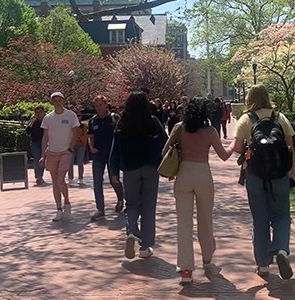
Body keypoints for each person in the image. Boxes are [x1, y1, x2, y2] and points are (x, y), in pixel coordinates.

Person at [161, 97, 234, 284]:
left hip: (183, 174)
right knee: (205, 219)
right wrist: (234, 143)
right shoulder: (210, 131)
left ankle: (186, 269)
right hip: (202, 174)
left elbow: (164, 152)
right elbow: (224, 156)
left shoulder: (179, 127)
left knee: (184, 224)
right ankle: (207, 256)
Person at [228, 85, 295, 280]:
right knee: (282, 215)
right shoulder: (280, 118)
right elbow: (290, 148)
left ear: (249, 99)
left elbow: (238, 148)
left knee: (260, 219)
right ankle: (282, 250)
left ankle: (263, 265)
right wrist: (291, 173)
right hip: (279, 175)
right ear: (267, 98)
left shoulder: (246, 119)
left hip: (254, 174)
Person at [110, 92, 167, 260]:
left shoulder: (123, 123)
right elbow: (165, 143)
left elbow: (115, 150)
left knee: (132, 204)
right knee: (149, 206)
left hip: (130, 169)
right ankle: (145, 246)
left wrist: (114, 172)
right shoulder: (153, 122)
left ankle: (132, 232)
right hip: (150, 167)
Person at [39, 92, 80, 222]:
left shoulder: (71, 115)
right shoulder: (48, 118)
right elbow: (45, 137)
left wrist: (71, 147)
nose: (57, 102)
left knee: (60, 180)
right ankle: (58, 209)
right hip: (51, 151)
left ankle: (67, 202)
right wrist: (42, 155)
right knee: (55, 182)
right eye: (54, 100)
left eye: (59, 100)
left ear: (63, 101)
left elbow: (75, 133)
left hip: (65, 151)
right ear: (51, 102)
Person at [87, 95, 125, 221]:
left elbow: (121, 134)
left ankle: (120, 199)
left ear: (106, 104)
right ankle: (100, 209)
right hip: (98, 154)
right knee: (97, 182)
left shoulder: (114, 118)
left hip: (112, 154)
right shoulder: (93, 120)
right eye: (96, 106)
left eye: (100, 105)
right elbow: (90, 135)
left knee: (114, 180)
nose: (98, 108)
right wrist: (91, 147)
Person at [26, 106, 46, 185]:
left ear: (43, 112)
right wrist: (31, 122)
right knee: (36, 159)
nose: (38, 114)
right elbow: (27, 131)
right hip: (35, 142)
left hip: (45, 142)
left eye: (40, 112)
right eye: (36, 112)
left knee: (43, 160)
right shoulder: (33, 121)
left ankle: (41, 175)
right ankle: (38, 177)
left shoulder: (47, 120)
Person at [68, 114, 88, 186]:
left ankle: (81, 178)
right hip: (72, 146)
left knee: (80, 162)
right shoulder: (70, 125)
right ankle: (70, 178)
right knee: (70, 163)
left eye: (79, 116)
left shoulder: (83, 126)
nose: (77, 117)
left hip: (81, 145)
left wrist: (79, 138)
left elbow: (85, 135)